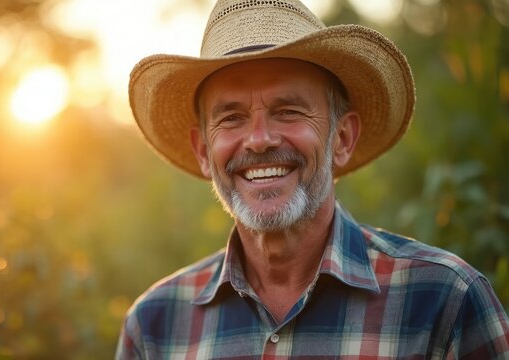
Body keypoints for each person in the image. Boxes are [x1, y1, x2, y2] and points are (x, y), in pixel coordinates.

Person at [116, 0, 509, 358]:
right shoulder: (154, 328)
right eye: (231, 117)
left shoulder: (445, 302)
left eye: (288, 111)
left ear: (341, 138)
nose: (258, 140)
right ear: (203, 151)